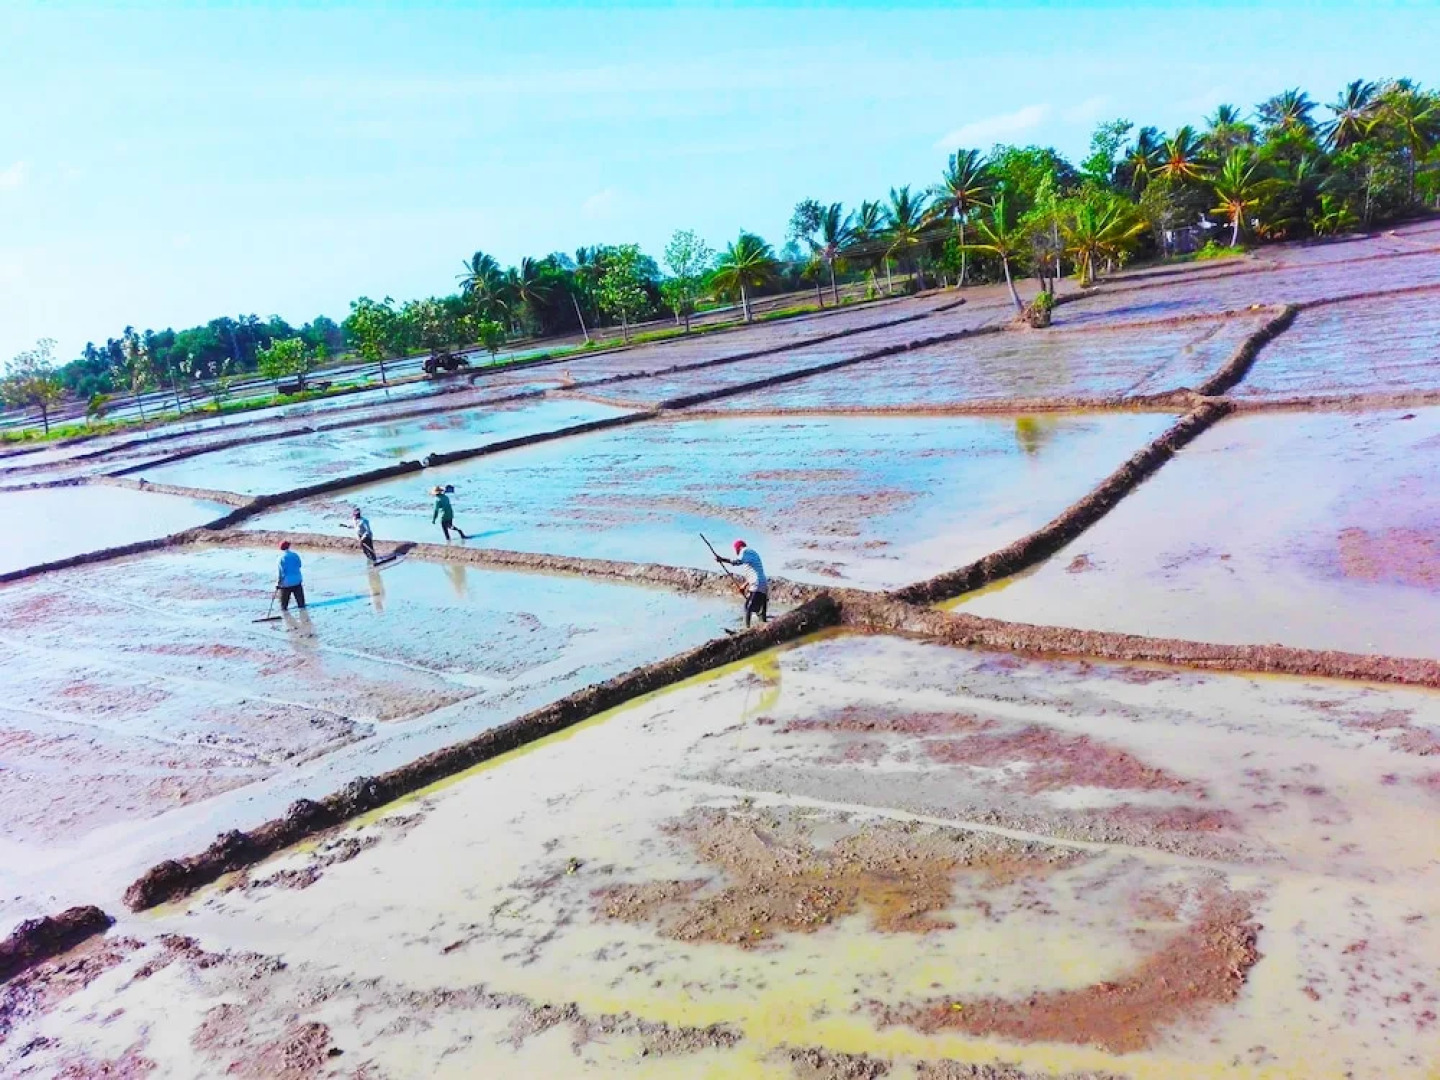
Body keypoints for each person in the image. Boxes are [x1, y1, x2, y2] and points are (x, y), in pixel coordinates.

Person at [715, 539, 768, 627]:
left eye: (735, 549)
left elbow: (737, 562)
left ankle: (747, 629)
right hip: (763, 583)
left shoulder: (745, 551)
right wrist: (744, 586)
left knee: (748, 608)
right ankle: (763, 627)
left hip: (757, 584)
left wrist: (722, 559)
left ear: (738, 548)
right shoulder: (752, 553)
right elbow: (754, 572)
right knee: (760, 611)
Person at [276, 540, 306, 612]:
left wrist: (278, 583)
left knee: (284, 607)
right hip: (297, 581)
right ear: (289, 547)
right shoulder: (295, 555)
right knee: (301, 604)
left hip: (286, 583)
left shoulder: (281, 558)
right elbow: (299, 565)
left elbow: (281, 573)